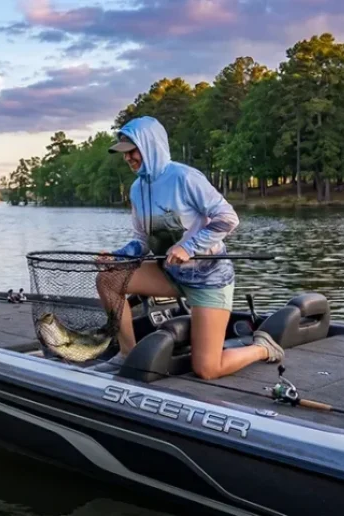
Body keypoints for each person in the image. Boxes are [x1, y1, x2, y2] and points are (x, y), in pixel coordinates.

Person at [93, 115, 283, 380]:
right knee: (109, 279)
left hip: (208, 278)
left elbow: (228, 218)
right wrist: (119, 257)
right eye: (124, 153)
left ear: (149, 146)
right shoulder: (137, 189)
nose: (127, 158)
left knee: (207, 369)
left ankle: (261, 348)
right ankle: (127, 354)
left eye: (132, 151)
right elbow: (142, 240)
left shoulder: (185, 178)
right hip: (169, 273)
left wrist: (189, 247)